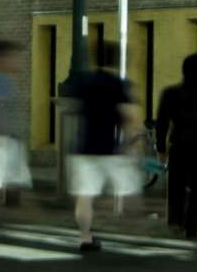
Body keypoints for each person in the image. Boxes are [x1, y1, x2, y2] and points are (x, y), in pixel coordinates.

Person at [62, 44, 145, 254]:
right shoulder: (119, 84)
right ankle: (132, 226)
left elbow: (71, 108)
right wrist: (132, 144)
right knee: (129, 190)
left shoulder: (84, 82)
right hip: (111, 149)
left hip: (84, 147)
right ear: (117, 60)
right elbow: (130, 116)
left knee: (84, 195)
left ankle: (85, 237)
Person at [154, 52, 197, 241]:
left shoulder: (171, 93)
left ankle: (176, 221)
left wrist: (161, 147)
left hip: (180, 145)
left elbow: (162, 122)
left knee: (176, 186)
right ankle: (192, 227)